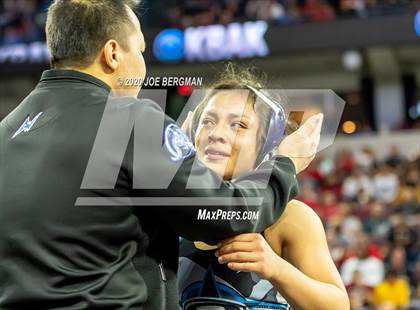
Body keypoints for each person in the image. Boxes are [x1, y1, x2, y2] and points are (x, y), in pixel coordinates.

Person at [0, 1, 322, 309]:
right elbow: (225, 213)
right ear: (112, 54)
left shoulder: (5, 133)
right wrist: (285, 164)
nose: (143, 64)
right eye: (140, 50)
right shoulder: (129, 120)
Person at [178, 65, 349, 310]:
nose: (216, 133)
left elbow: (339, 306)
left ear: (265, 144)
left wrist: (276, 268)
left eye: (238, 125)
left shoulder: (290, 217)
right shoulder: (173, 216)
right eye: (208, 121)